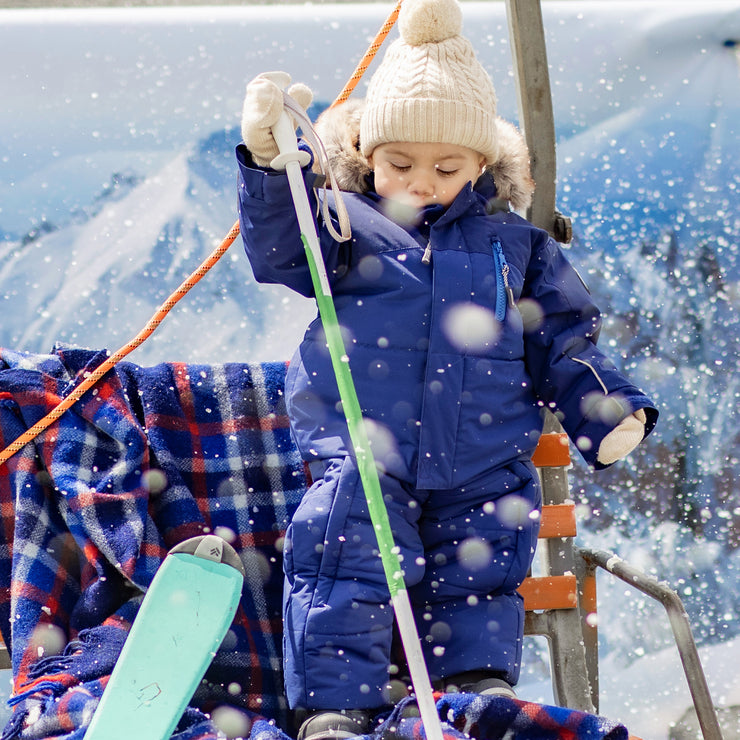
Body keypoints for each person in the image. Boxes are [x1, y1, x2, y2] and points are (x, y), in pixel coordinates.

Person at [236, 0, 658, 737]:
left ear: (481, 165)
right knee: (346, 552)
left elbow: (563, 337)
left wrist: (604, 409)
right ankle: (337, 706)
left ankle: (470, 685)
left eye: (446, 166)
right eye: (401, 164)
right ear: (369, 153)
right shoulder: (340, 224)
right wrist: (275, 170)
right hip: (368, 447)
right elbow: (279, 251)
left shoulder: (515, 245)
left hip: (481, 450)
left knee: (482, 558)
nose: (422, 181)